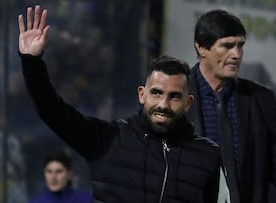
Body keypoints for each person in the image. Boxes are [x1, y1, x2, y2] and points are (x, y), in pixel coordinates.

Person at [18, 5, 220, 203]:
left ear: (188, 103)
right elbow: (52, 111)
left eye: (174, 96)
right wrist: (31, 62)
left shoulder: (208, 156)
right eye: (156, 93)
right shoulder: (107, 139)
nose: (163, 104)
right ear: (142, 94)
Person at [185, 9, 276, 202]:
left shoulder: (261, 100)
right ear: (201, 47)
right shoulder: (174, 97)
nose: (236, 54)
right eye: (227, 46)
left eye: (240, 45)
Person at [27, 150, 93, 203]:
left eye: (59, 171)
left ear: (70, 173)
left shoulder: (87, 199)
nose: (53, 177)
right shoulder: (35, 201)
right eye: (49, 171)